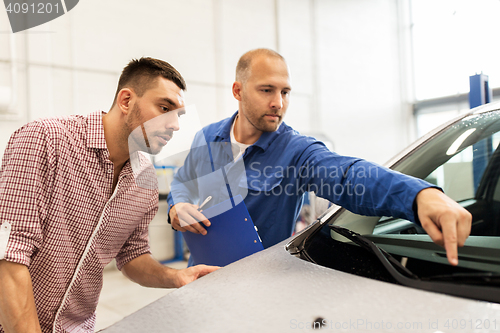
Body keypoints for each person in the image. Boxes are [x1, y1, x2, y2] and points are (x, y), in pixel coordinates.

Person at [167, 48, 471, 268]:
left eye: (285, 92)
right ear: (238, 90)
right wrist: (176, 207)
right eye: (267, 90)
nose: (278, 103)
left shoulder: (295, 151)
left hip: (255, 283)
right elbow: (183, 183)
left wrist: (419, 195)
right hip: (200, 273)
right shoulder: (207, 138)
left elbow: (347, 175)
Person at [0, 57, 219, 333]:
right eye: (164, 108)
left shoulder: (145, 182)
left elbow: (132, 256)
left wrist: (176, 277)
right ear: (126, 100)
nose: (175, 125)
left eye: (179, 116)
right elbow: (8, 254)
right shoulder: (46, 139)